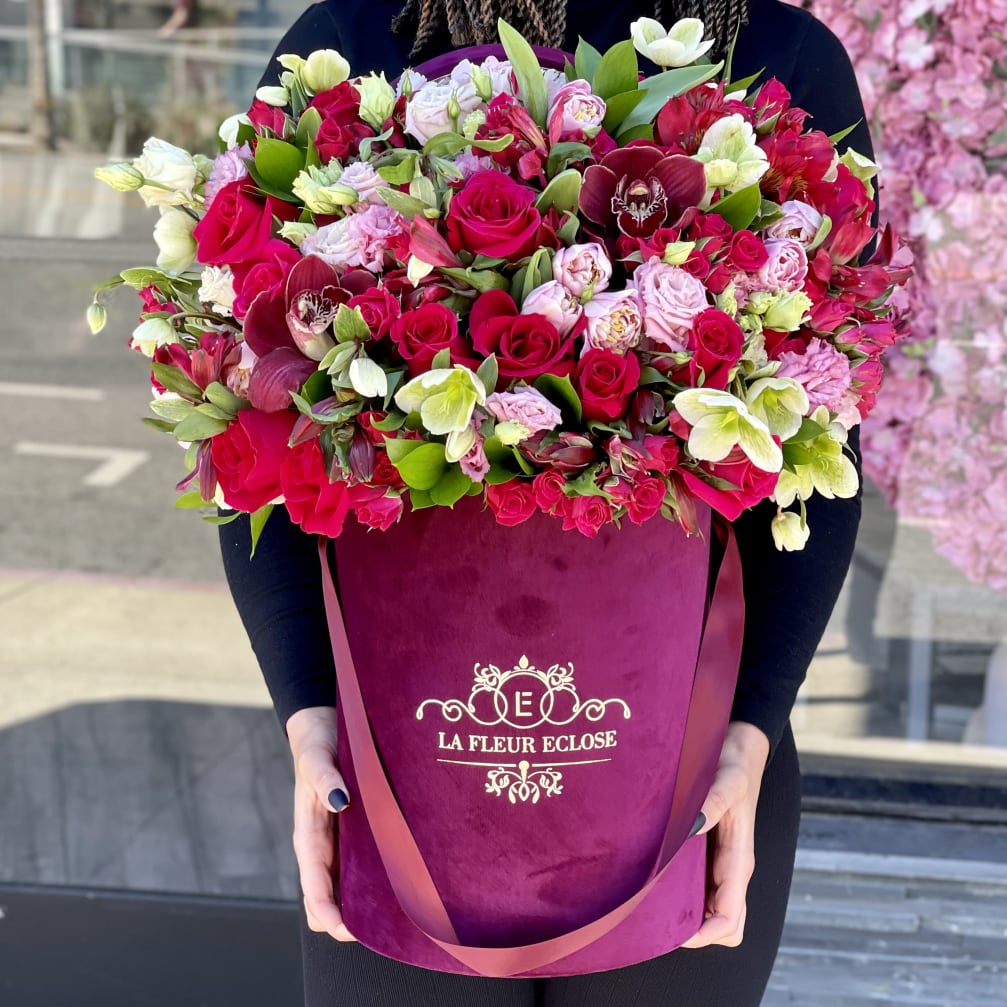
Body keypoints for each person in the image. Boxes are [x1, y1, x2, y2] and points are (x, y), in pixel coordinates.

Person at [220, 1, 871, 1003]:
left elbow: (826, 448)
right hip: (397, 762)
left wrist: (748, 728)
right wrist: (305, 710)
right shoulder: (350, 43)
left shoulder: (775, 59)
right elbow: (250, 422)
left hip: (687, 763)